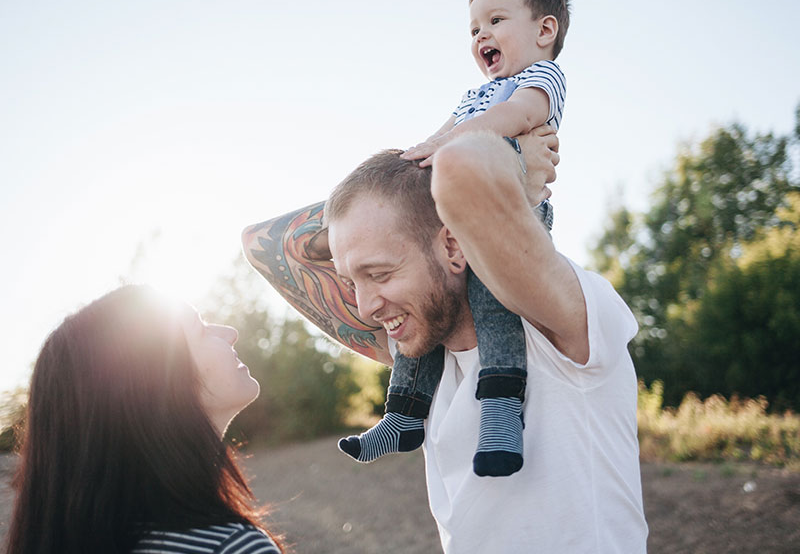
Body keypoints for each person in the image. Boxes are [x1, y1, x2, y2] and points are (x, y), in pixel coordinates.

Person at [242, 130, 648, 552]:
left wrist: (512, 155)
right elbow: (261, 244)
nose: (365, 308)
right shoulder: (420, 357)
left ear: (453, 246)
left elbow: (461, 166)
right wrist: (397, 188)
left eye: (379, 274)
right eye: (351, 280)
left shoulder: (557, 327)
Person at [333, 0, 569, 477]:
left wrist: (449, 145)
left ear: (544, 31)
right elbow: (442, 136)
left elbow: (515, 119)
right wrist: (407, 166)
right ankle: (404, 413)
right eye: (473, 29)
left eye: (496, 20)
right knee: (420, 295)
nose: (481, 34)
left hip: (512, 218)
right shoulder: (472, 97)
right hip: (457, 214)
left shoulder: (539, 77)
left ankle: (502, 411)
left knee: (493, 303)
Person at [5, 285, 282, 554]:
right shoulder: (232, 546)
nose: (230, 333)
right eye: (201, 329)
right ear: (159, 384)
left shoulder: (81, 540)